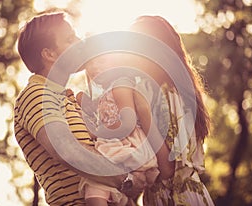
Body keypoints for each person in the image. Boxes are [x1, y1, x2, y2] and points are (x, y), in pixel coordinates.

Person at [77, 15, 215, 206]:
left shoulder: (169, 94)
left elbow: (167, 170)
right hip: (158, 198)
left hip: (177, 199)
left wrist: (143, 112)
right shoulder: (149, 89)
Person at [14, 12, 145, 206]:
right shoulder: (36, 94)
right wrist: (124, 179)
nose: (80, 42)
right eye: (69, 39)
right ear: (49, 54)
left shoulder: (70, 99)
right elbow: (66, 150)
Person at [76, 57, 160, 206]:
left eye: (100, 60)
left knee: (95, 185)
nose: (93, 67)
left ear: (115, 60)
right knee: (108, 194)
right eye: (89, 62)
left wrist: (97, 132)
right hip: (118, 145)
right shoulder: (106, 91)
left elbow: (128, 123)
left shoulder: (121, 86)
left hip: (128, 146)